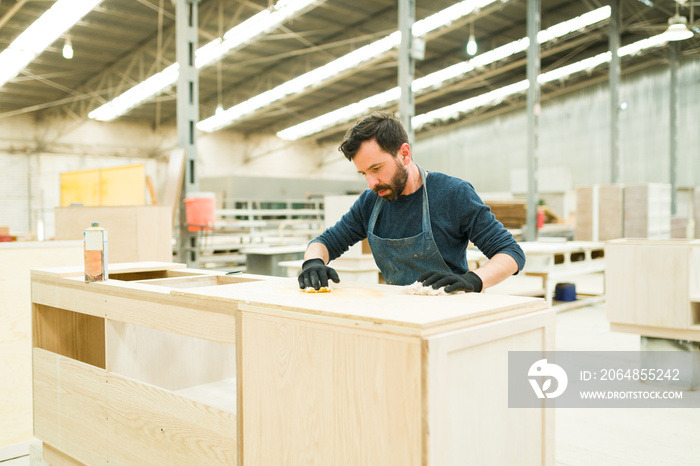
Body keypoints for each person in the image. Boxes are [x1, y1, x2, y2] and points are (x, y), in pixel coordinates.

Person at [298, 111, 525, 293]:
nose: (371, 183)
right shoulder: (371, 202)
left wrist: (473, 280)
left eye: (376, 169)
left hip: (452, 311)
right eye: (364, 173)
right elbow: (325, 242)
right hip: (400, 312)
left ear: (404, 154)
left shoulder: (453, 194)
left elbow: (511, 253)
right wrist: (313, 262)